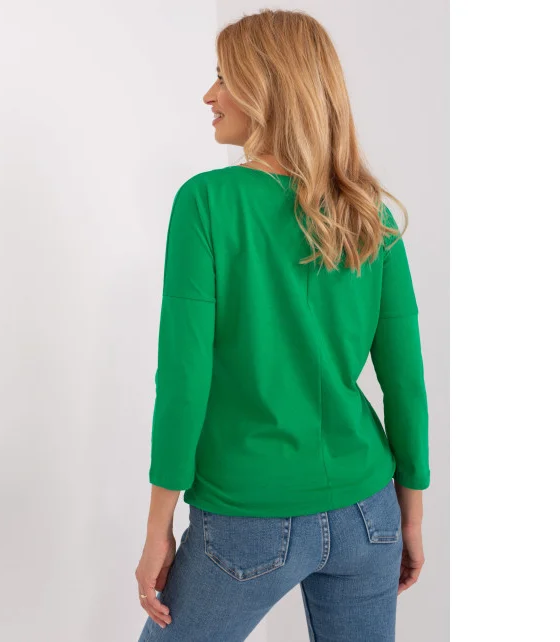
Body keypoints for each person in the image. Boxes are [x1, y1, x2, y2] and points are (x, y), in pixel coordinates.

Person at [135, 9, 430, 642]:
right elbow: (406, 381)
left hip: (246, 517)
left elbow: (183, 380)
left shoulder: (207, 201)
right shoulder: (369, 214)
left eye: (224, 77)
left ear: (269, 86)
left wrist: (158, 527)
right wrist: (411, 514)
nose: (209, 95)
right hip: (368, 512)